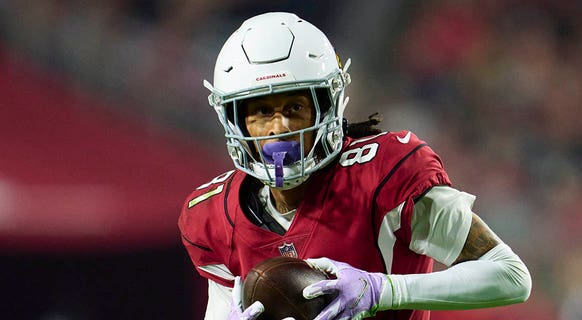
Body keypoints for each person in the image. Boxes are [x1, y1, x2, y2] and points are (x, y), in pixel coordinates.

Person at [178, 12, 531, 320]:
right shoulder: (212, 216)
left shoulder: (386, 172)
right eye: (261, 111)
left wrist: (381, 291)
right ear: (235, 120)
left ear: (327, 105)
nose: (278, 128)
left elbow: (511, 276)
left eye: (294, 108)